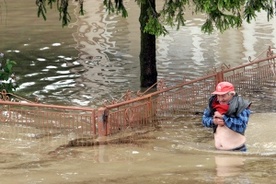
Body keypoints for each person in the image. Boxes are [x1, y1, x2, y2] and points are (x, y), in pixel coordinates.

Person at [202, 81, 251, 151]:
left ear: (232, 94)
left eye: (223, 96)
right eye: (218, 96)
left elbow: (241, 127)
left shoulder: (241, 105)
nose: (220, 99)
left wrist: (224, 118)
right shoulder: (213, 104)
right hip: (218, 151)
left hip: (237, 150)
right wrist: (214, 121)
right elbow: (204, 120)